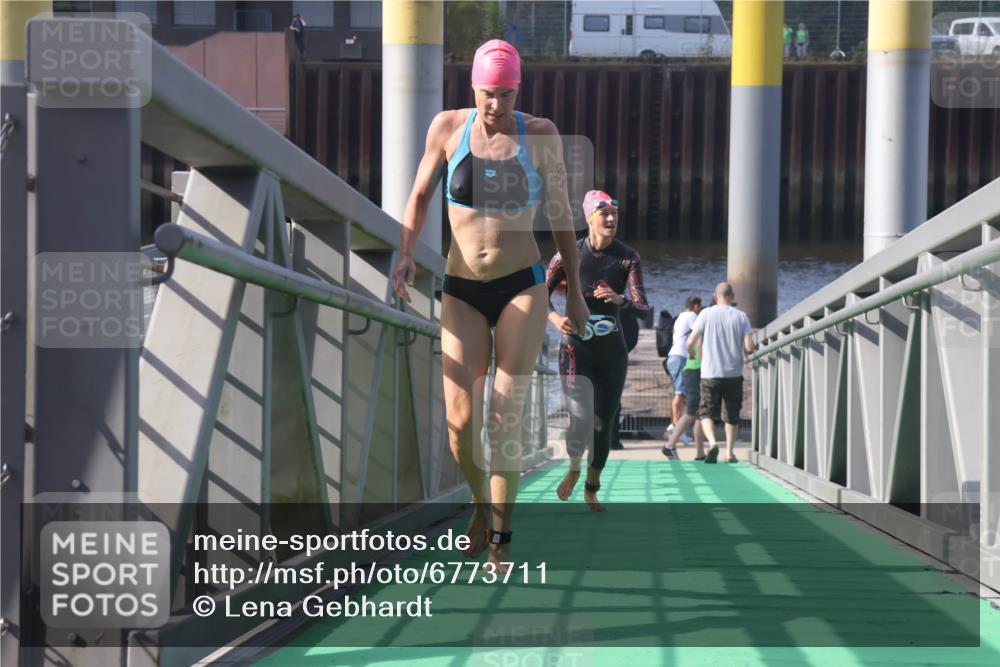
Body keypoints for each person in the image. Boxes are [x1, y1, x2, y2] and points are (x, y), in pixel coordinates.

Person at [392, 40, 588, 570]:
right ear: (472, 88)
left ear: (517, 91)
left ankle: (501, 541)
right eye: (487, 93)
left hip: (521, 286)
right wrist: (406, 254)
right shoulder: (447, 128)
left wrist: (574, 291)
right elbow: (419, 197)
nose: (496, 104)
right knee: (459, 425)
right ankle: (481, 505)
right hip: (461, 288)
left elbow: (561, 214)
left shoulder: (540, 135)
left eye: (505, 94)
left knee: (502, 417)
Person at [546, 191, 650, 512]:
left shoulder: (627, 257)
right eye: (604, 214)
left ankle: (592, 487)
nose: (611, 219)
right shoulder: (568, 254)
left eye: (614, 214)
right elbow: (538, 294)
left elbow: (643, 307)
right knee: (579, 416)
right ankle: (574, 467)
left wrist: (621, 300)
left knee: (604, 423)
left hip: (612, 352)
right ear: (589, 218)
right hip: (575, 348)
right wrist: (556, 319)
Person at [686, 283, 756, 464]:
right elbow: (749, 346)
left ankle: (712, 443)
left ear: (715, 296)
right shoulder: (741, 316)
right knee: (732, 414)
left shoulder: (705, 314)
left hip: (710, 372)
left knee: (706, 413)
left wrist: (692, 353)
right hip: (733, 373)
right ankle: (730, 453)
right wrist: (748, 350)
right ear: (732, 296)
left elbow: (690, 341)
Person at [664, 295, 702, 444]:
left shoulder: (680, 316)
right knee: (680, 394)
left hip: (673, 356)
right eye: (699, 307)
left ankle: (673, 426)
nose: (700, 310)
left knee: (679, 393)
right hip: (681, 357)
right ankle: (676, 429)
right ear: (695, 306)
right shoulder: (692, 316)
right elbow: (699, 334)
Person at [661, 339, 707, 461]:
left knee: (699, 413)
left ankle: (700, 453)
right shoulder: (702, 327)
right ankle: (670, 445)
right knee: (692, 413)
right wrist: (704, 364)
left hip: (695, 369)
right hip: (696, 370)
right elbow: (694, 342)